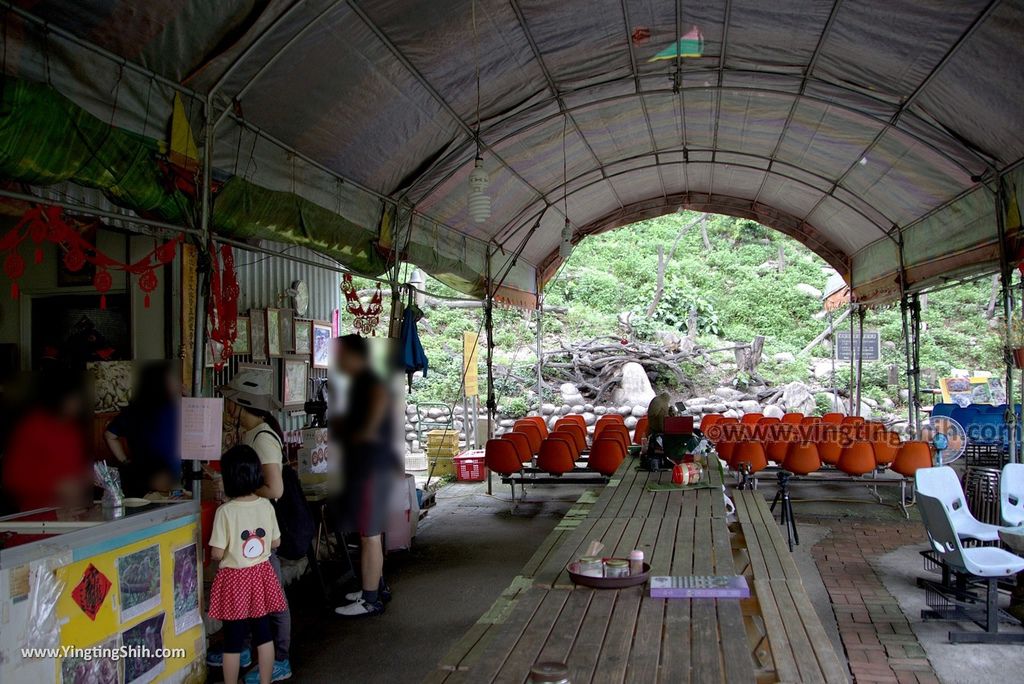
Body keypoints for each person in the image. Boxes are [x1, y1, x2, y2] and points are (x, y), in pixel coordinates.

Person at [207, 369, 291, 683]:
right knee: (260, 614)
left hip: (250, 551)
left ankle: (281, 659)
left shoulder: (262, 439)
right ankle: (252, 653)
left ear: (242, 404)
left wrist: (241, 493)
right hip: (261, 541)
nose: (227, 406)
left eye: (230, 401)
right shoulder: (251, 435)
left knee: (272, 605)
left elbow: (276, 490)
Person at [333, 334, 401, 618]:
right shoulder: (365, 380)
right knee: (368, 533)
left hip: (371, 467)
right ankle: (375, 586)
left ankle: (371, 600)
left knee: (370, 535)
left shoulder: (369, 382)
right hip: (374, 466)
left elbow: (370, 424)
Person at [1, 372, 91, 511]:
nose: (78, 404)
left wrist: (87, 475)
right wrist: (55, 486)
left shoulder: (73, 428)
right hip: (39, 514)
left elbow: (74, 466)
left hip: (73, 512)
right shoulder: (32, 426)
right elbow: (12, 477)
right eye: (73, 398)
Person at [104, 362, 181, 497]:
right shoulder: (172, 410)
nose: (177, 383)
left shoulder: (134, 410)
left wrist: (125, 461)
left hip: (143, 475)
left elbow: (110, 435)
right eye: (173, 379)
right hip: (161, 477)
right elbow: (109, 435)